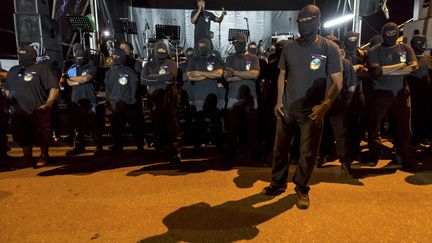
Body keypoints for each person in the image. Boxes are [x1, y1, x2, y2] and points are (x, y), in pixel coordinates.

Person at [262, 5, 343, 210]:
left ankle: (302, 188)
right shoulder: (289, 47)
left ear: (317, 21)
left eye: (307, 21)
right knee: (279, 150)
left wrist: (324, 106)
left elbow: (337, 82)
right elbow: (282, 74)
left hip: (312, 112)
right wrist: (279, 101)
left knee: (307, 153)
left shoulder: (328, 48)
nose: (302, 24)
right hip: (287, 109)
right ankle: (277, 183)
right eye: (300, 21)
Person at [365, 22, 419, 170]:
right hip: (380, 93)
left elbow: (414, 67)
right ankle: (373, 157)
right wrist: (402, 67)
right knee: (375, 127)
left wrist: (385, 70)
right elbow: (375, 71)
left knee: (403, 129)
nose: (390, 36)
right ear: (382, 34)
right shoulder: (374, 50)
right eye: (387, 33)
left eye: (392, 33)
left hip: (401, 94)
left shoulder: (405, 48)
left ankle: (400, 157)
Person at [4, 46, 59, 168]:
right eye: (20, 55)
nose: (21, 57)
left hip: (37, 110)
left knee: (42, 133)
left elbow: (54, 88)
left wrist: (48, 104)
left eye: (23, 54)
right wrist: (8, 105)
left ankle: (44, 155)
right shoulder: (14, 70)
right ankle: (27, 156)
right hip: (18, 112)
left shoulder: (42, 69)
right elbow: (7, 89)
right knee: (22, 134)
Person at [317, 36, 357, 176]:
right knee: (324, 133)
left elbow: (351, 85)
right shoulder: (320, 62)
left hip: (335, 104)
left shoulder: (344, 63)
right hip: (325, 104)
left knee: (339, 134)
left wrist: (347, 102)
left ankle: (343, 161)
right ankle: (321, 157)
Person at [141, 41, 181, 163]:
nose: (161, 52)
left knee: (172, 127)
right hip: (154, 100)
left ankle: (175, 152)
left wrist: (152, 78)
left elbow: (170, 76)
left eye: (164, 50)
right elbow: (143, 80)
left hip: (169, 100)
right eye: (159, 50)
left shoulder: (172, 63)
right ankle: (159, 150)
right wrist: (161, 80)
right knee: (157, 127)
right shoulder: (148, 65)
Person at [224, 33, 262, 162]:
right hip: (233, 97)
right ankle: (230, 152)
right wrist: (245, 74)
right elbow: (227, 78)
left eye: (238, 43)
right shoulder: (229, 59)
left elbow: (254, 75)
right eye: (234, 43)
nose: (236, 45)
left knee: (252, 127)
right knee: (232, 127)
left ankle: (254, 153)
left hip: (250, 98)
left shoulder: (253, 58)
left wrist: (235, 73)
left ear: (244, 42)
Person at [104, 48, 144, 154]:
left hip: (127, 104)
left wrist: (133, 99)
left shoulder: (128, 70)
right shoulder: (108, 72)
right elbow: (107, 89)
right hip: (115, 105)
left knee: (134, 126)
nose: (115, 58)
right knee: (116, 128)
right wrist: (109, 102)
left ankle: (140, 146)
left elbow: (134, 85)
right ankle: (118, 146)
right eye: (114, 56)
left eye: (117, 56)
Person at [187, 38, 224, 148]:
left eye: (204, 44)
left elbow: (219, 74)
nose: (201, 46)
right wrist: (208, 74)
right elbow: (190, 76)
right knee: (199, 122)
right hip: (198, 96)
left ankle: (218, 143)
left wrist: (199, 73)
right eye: (200, 44)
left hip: (213, 96)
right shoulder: (193, 60)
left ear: (208, 45)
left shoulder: (215, 59)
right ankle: (198, 144)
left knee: (216, 121)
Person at [65, 48, 103, 156]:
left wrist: (75, 80)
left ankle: (98, 146)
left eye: (81, 58)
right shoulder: (72, 68)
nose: (79, 60)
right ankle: (79, 146)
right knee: (78, 125)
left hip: (90, 100)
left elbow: (86, 79)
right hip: (76, 101)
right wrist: (79, 80)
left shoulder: (92, 67)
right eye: (77, 58)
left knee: (94, 125)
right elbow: (66, 81)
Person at [407, 35, 432, 147]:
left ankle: (422, 137)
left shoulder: (428, 59)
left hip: (424, 95)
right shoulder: (406, 58)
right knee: (411, 118)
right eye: (418, 42)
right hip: (409, 94)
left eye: (422, 42)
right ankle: (413, 139)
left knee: (423, 116)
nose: (420, 45)